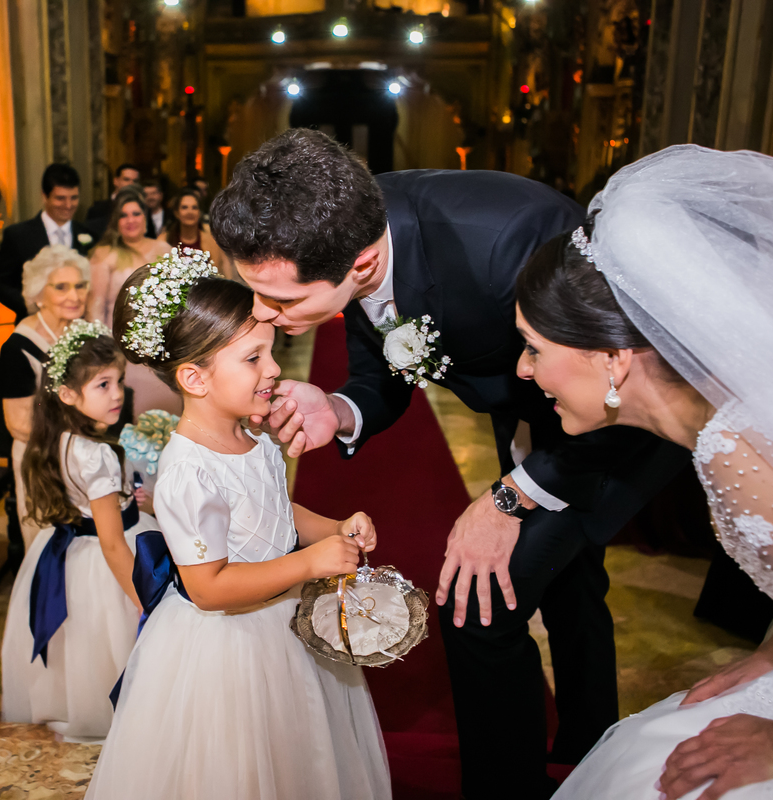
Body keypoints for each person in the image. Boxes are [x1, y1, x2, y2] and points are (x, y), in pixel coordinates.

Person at [209, 128, 691, 798]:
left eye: (282, 302)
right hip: (532, 411)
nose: (261, 315)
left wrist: (508, 498)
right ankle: (587, 744)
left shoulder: (511, 242)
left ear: (365, 264)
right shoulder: (350, 232)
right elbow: (388, 369)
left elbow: (621, 386)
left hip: (613, 422)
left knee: (479, 603)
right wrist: (340, 409)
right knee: (572, 578)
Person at [515, 145, 773, 799]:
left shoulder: (743, 458)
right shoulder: (732, 427)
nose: (522, 372)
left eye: (534, 349)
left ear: (614, 360)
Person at [86, 251, 390, 800]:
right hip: (232, 650)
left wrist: (332, 529)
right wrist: (308, 563)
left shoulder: (252, 435)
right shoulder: (186, 471)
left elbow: (271, 510)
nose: (273, 368)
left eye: (270, 351)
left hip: (288, 624)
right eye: (253, 358)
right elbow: (207, 587)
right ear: (194, 378)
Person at [1, 321, 159, 740]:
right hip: (108, 561)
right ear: (68, 394)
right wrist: (143, 598)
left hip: (67, 554)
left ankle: (73, 718)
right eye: (102, 385)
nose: (117, 394)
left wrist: (128, 500)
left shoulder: (59, 439)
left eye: (119, 381)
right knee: (114, 645)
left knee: (80, 650)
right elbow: (111, 542)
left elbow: (90, 505)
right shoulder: (97, 456)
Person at [0, 245, 91, 550]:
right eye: (61, 287)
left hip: (81, 454)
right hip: (42, 460)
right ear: (39, 294)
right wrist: (72, 442)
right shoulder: (17, 348)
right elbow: (18, 424)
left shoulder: (83, 333)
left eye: (80, 285)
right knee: (48, 547)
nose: (74, 296)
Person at [89, 188, 179, 417]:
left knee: (167, 415)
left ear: (145, 217)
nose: (130, 220)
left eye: (136, 213)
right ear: (115, 221)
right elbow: (95, 308)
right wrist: (104, 353)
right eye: (123, 215)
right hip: (123, 350)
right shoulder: (104, 255)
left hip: (162, 348)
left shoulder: (164, 250)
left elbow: (178, 301)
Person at [0, 164, 97, 319]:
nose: (68, 205)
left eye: (74, 198)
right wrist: (30, 305)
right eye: (60, 198)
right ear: (44, 196)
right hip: (34, 326)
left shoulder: (89, 235)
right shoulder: (18, 235)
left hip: (79, 325)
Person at [159, 187, 233, 279]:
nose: (190, 212)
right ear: (177, 213)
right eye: (184, 207)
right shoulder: (163, 239)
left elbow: (224, 274)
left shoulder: (213, 239)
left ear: (199, 213)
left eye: (194, 207)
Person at [85, 163, 141, 233]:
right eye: (126, 179)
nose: (131, 184)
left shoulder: (142, 210)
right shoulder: (97, 209)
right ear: (115, 181)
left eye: (135, 181)